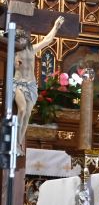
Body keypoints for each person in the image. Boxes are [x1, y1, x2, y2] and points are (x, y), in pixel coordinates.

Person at [12, 16, 65, 153]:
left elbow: (47, 40)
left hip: (31, 85)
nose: (23, 40)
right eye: (20, 38)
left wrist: (56, 26)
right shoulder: (14, 52)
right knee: (22, 110)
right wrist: (16, 63)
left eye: (24, 38)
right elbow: (12, 65)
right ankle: (13, 142)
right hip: (18, 84)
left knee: (27, 115)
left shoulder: (32, 49)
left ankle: (18, 144)